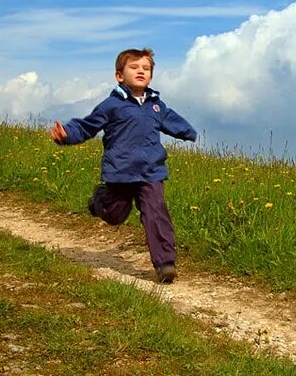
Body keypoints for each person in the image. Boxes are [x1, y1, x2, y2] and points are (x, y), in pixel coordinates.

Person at [50, 48, 197, 283]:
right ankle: (99, 201)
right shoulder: (111, 105)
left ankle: (165, 263)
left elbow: (172, 120)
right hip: (120, 171)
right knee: (116, 214)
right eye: (134, 67)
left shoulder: (156, 105)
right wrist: (67, 134)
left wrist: (189, 132)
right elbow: (88, 126)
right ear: (119, 76)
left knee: (156, 212)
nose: (141, 71)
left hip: (151, 171)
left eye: (146, 68)